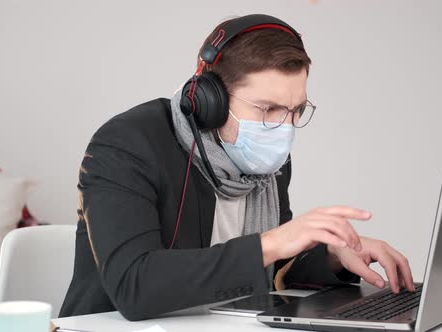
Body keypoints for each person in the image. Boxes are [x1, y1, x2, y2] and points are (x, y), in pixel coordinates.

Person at [59, 14, 414, 321]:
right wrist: (272, 242)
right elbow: (134, 286)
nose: (284, 128)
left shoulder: (268, 161)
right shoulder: (127, 144)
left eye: (296, 111)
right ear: (209, 100)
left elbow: (270, 270)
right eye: (268, 109)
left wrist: (333, 255)